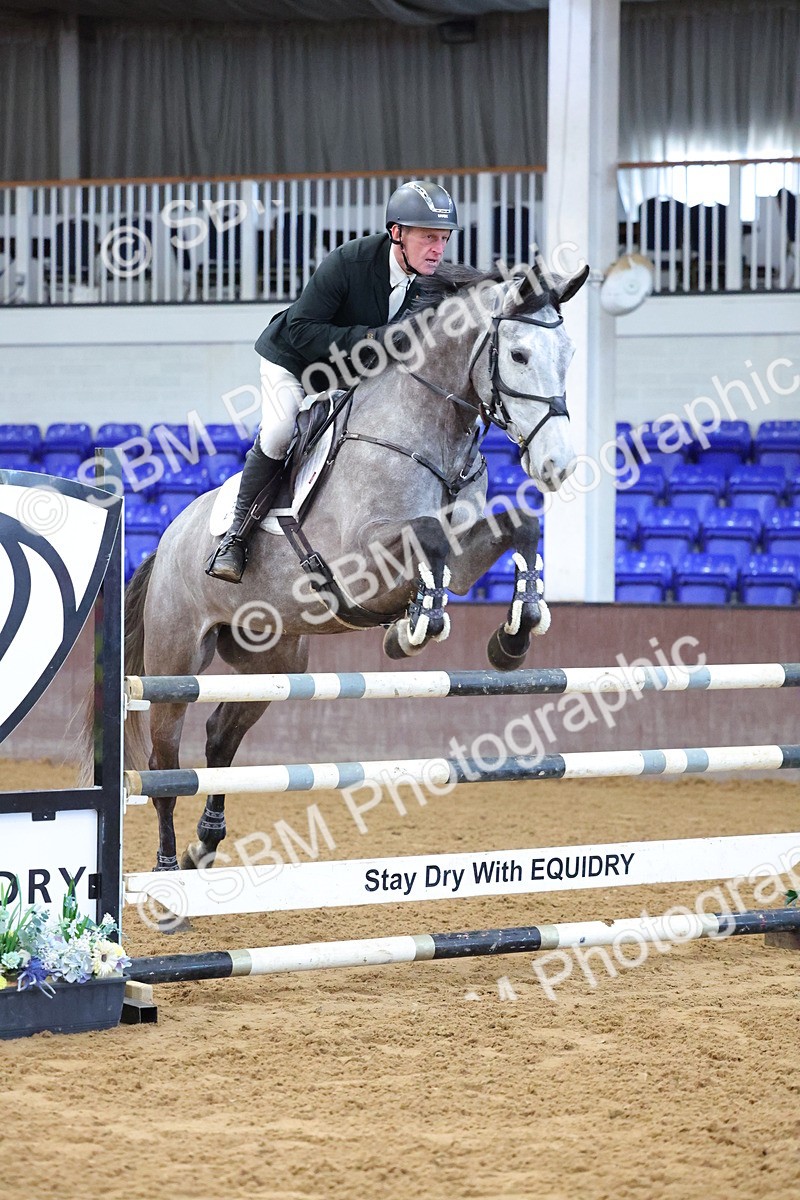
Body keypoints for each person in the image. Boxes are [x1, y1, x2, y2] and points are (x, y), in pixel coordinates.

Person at [206, 180, 461, 583]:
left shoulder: (434, 280)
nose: (438, 249)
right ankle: (235, 538)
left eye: (444, 239)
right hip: (296, 363)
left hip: (353, 376)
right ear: (396, 233)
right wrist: (377, 338)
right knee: (277, 431)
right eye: (429, 237)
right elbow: (303, 329)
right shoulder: (349, 262)